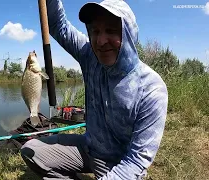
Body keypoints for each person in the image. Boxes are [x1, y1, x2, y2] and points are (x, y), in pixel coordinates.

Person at [20, 0, 168, 179]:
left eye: (111, 31)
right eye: (95, 31)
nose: (101, 40)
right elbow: (58, 25)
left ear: (129, 34)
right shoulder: (89, 55)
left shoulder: (152, 89)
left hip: (119, 162)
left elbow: (137, 161)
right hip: (88, 147)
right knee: (30, 150)